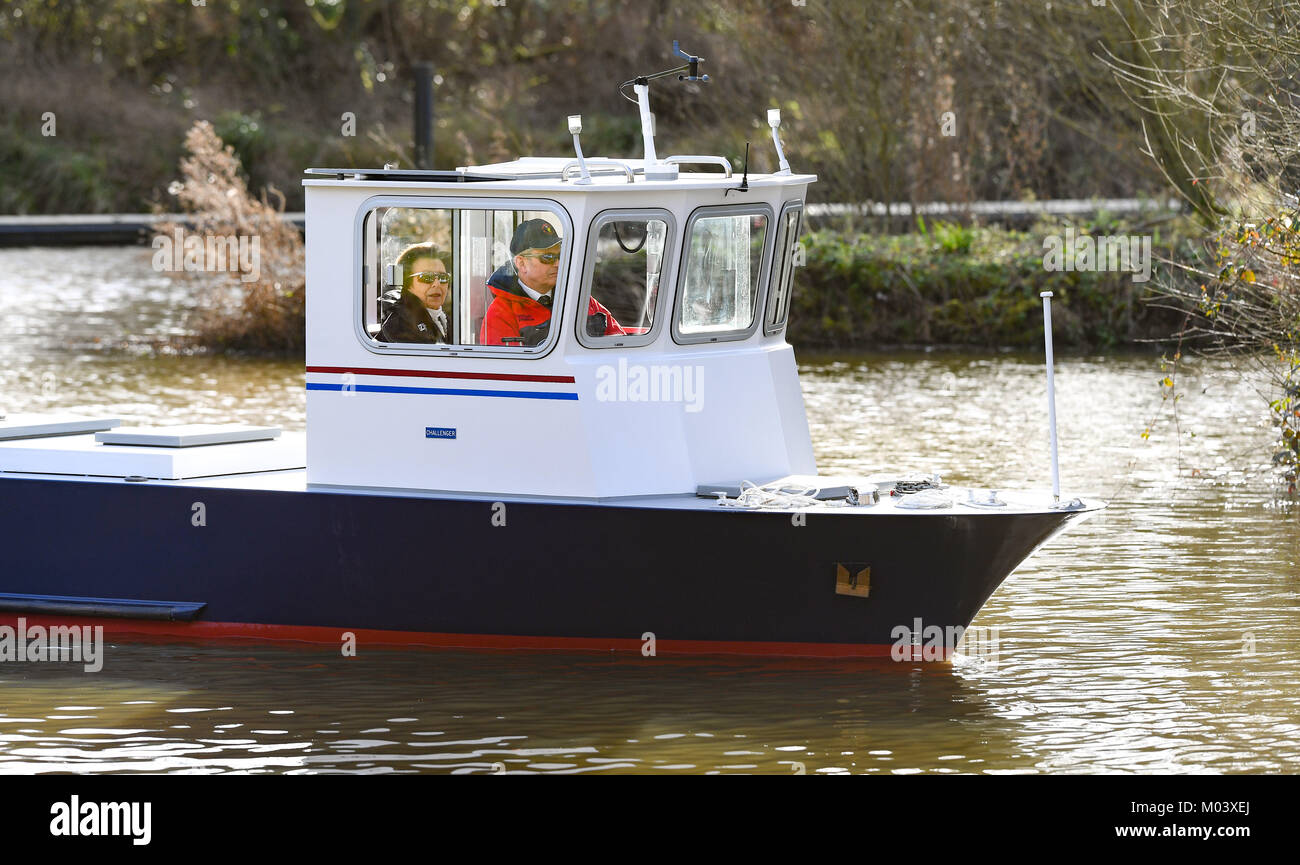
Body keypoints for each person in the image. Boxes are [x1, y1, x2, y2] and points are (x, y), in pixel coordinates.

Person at [479, 218, 625, 346]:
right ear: (521, 263)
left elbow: (619, 344)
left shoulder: (580, 300)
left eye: (560, 255)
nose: (557, 263)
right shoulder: (501, 314)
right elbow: (509, 370)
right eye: (547, 257)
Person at [379, 242, 452, 344]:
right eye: (426, 277)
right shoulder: (400, 324)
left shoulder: (445, 318)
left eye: (443, 277)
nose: (437, 283)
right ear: (406, 283)